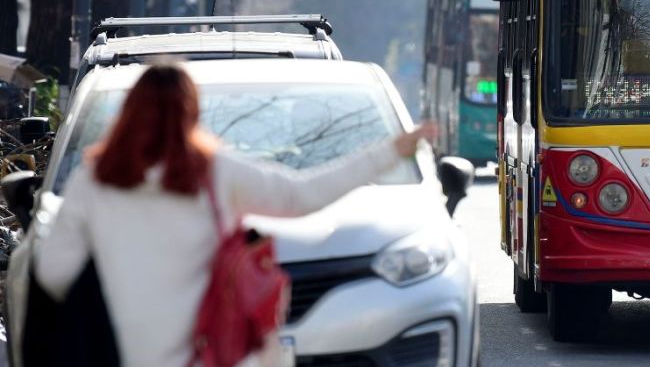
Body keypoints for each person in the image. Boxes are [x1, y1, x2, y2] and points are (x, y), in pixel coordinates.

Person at [33, 63, 435, 367]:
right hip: (211, 353)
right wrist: (388, 152)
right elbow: (303, 194)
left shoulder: (94, 181)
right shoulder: (214, 174)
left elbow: (53, 271)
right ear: (191, 113)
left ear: (129, 113)